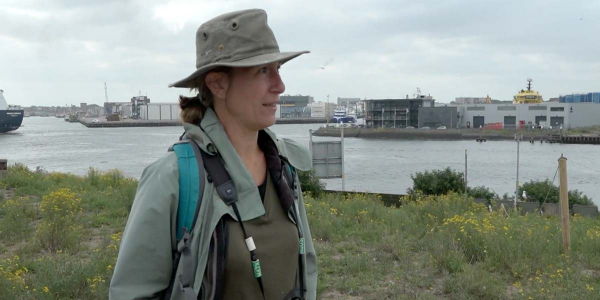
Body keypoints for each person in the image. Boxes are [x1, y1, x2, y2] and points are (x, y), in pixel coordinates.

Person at [109, 9, 317, 300]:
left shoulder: (283, 168)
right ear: (218, 84)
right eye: (262, 71)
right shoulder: (172, 180)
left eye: (277, 69)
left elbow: (305, 269)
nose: (279, 86)